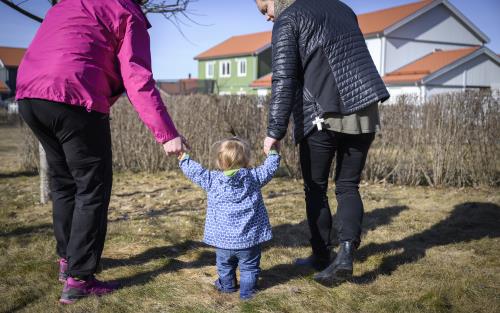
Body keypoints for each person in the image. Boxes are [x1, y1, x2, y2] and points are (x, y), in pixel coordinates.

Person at [15, 0, 187, 304]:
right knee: (92, 187)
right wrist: (167, 133)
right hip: (73, 94)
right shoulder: (126, 11)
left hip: (30, 94)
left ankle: (68, 260)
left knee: (64, 181)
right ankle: (80, 279)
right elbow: (136, 77)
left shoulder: (66, 5)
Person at [255, 0, 390, 286]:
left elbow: (284, 78)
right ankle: (345, 254)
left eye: (264, 8)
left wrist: (274, 131)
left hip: (323, 113)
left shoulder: (288, 19)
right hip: (365, 107)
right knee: (348, 185)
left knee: (315, 188)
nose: (267, 17)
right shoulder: (343, 9)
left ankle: (321, 255)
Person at [179, 138, 280, 299]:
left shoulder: (212, 180)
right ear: (246, 159)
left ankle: (227, 286)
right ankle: (247, 292)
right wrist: (273, 152)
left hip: (223, 241)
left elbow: (195, 171)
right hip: (249, 239)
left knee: (224, 266)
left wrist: (183, 157)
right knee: (249, 267)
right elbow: (270, 167)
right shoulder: (253, 177)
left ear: (219, 161)